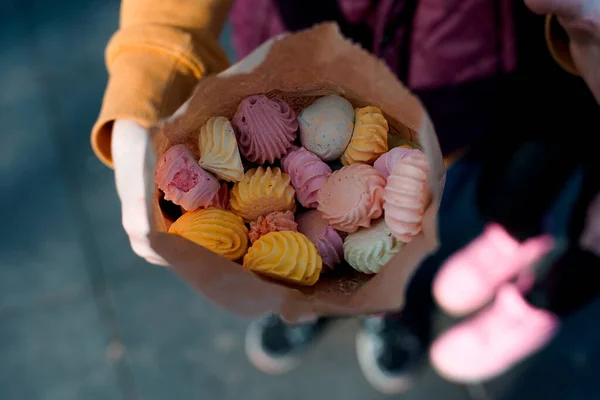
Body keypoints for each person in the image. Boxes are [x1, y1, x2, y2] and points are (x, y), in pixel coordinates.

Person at [91, 0, 600, 394]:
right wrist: (152, 65)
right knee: (297, 245)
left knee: (405, 221)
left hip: (453, 67)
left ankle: (387, 305)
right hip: (290, 61)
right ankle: (303, 298)